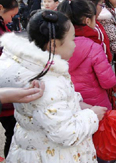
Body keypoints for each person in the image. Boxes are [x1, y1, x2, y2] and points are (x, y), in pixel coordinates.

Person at [0, 10, 106, 162]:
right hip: (54, 155)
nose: (75, 45)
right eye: (72, 39)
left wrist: (80, 105)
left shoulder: (41, 69)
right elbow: (65, 133)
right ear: (54, 45)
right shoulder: (47, 82)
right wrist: (93, 116)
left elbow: (57, 107)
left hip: (38, 149)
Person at [58, 0, 116, 111]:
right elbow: (108, 82)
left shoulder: (55, 46)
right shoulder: (93, 46)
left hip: (68, 105)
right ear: (88, 21)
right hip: (96, 105)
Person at [0, 0, 19, 158]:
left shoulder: (3, 26)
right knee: (12, 134)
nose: (11, 20)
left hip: (7, 91)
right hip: (4, 94)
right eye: (11, 15)